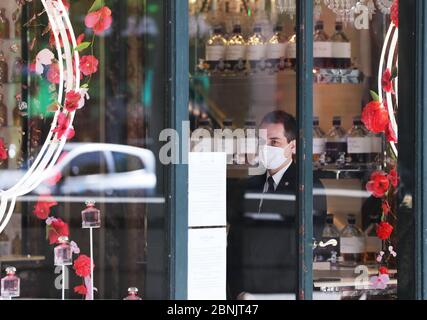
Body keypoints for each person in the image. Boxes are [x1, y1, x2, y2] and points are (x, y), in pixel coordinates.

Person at [227, 111, 327, 299]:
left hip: (284, 292)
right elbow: (234, 246)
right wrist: (239, 291)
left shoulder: (307, 186)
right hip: (245, 295)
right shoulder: (247, 187)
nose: (267, 148)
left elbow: (301, 247)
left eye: (274, 142)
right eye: (263, 142)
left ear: (293, 146)